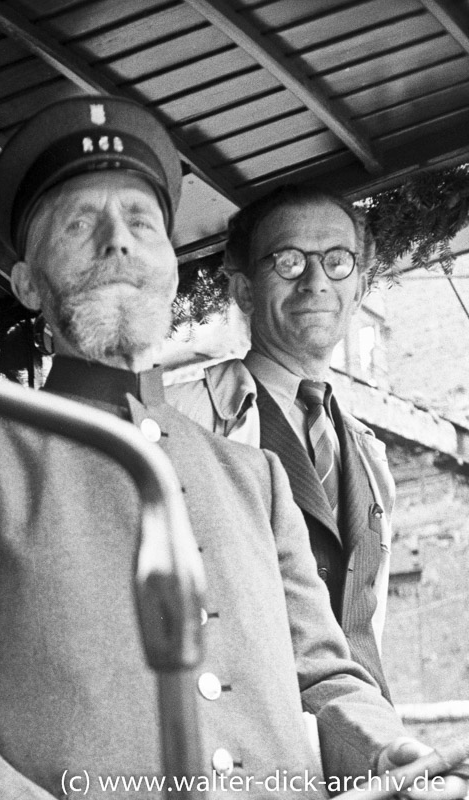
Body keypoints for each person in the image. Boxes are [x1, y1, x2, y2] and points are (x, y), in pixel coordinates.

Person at [0, 96, 463, 800]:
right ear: (26, 283)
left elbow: (325, 675)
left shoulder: (254, 476)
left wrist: (397, 755)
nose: (119, 242)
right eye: (82, 223)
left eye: (141, 222)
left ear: (170, 268)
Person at [165, 185, 394, 699]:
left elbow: (364, 621)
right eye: (288, 261)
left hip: (355, 748)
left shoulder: (372, 458)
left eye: (338, 261)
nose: (315, 281)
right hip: (236, 750)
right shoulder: (177, 420)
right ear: (244, 291)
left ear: (357, 290)